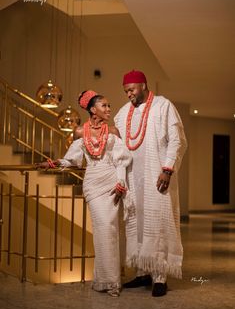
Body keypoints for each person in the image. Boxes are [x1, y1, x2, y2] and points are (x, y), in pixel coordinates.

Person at [37, 90, 133, 297]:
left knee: (111, 229)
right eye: (104, 105)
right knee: (102, 229)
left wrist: (121, 182)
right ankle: (108, 280)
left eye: (109, 106)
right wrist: (53, 163)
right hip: (93, 184)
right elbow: (72, 160)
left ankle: (107, 281)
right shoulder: (80, 132)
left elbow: (122, 160)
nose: (109, 109)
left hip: (111, 182)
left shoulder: (114, 131)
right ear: (92, 109)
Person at [114, 70, 187, 297]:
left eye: (132, 90)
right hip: (133, 177)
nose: (128, 94)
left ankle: (160, 278)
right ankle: (142, 272)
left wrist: (167, 169)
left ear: (143, 85)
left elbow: (176, 140)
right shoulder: (123, 112)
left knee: (158, 223)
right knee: (136, 223)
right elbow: (116, 140)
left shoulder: (163, 106)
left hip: (157, 176)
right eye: (126, 91)